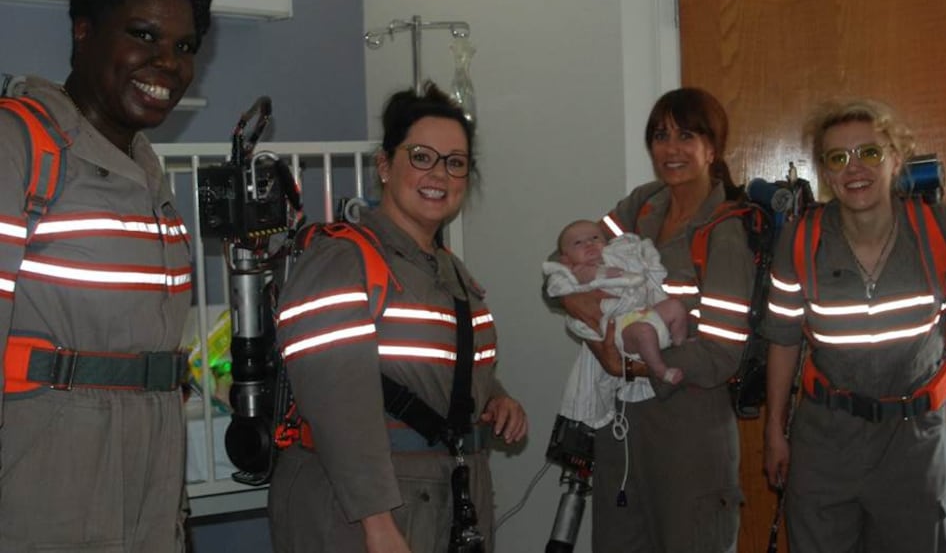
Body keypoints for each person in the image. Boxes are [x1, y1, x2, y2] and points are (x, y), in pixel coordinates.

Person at [0, 0, 212, 551]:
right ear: (84, 30)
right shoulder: (20, 147)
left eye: (184, 46)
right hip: (47, 481)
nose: (167, 62)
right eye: (143, 35)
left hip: (148, 477)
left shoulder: (145, 171)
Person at [268, 83, 528, 553]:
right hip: (367, 506)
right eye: (422, 156)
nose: (440, 174)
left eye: (455, 162)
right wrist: (378, 523)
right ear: (385, 166)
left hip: (447, 492)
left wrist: (496, 397)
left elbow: (439, 366)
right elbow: (337, 406)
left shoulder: (450, 270)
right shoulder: (342, 260)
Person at [761, 98, 946, 553]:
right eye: (837, 158)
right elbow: (782, 341)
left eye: (870, 152)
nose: (854, 169)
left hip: (914, 443)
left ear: (896, 157)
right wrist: (774, 431)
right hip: (826, 441)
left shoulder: (942, 228)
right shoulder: (800, 240)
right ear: (824, 171)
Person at [553, 87, 756, 553]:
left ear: (713, 147)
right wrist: (579, 304)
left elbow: (724, 353)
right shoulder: (644, 206)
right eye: (660, 135)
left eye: (686, 135)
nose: (671, 148)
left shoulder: (725, 230)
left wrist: (636, 365)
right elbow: (567, 254)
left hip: (689, 429)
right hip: (621, 428)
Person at [545, 219, 688, 385]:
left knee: (675, 307)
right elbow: (554, 288)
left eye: (595, 238)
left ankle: (680, 345)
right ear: (566, 260)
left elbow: (638, 260)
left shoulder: (618, 256)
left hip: (644, 311)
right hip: (621, 326)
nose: (589, 243)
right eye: (578, 243)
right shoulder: (576, 272)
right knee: (644, 332)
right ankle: (660, 370)